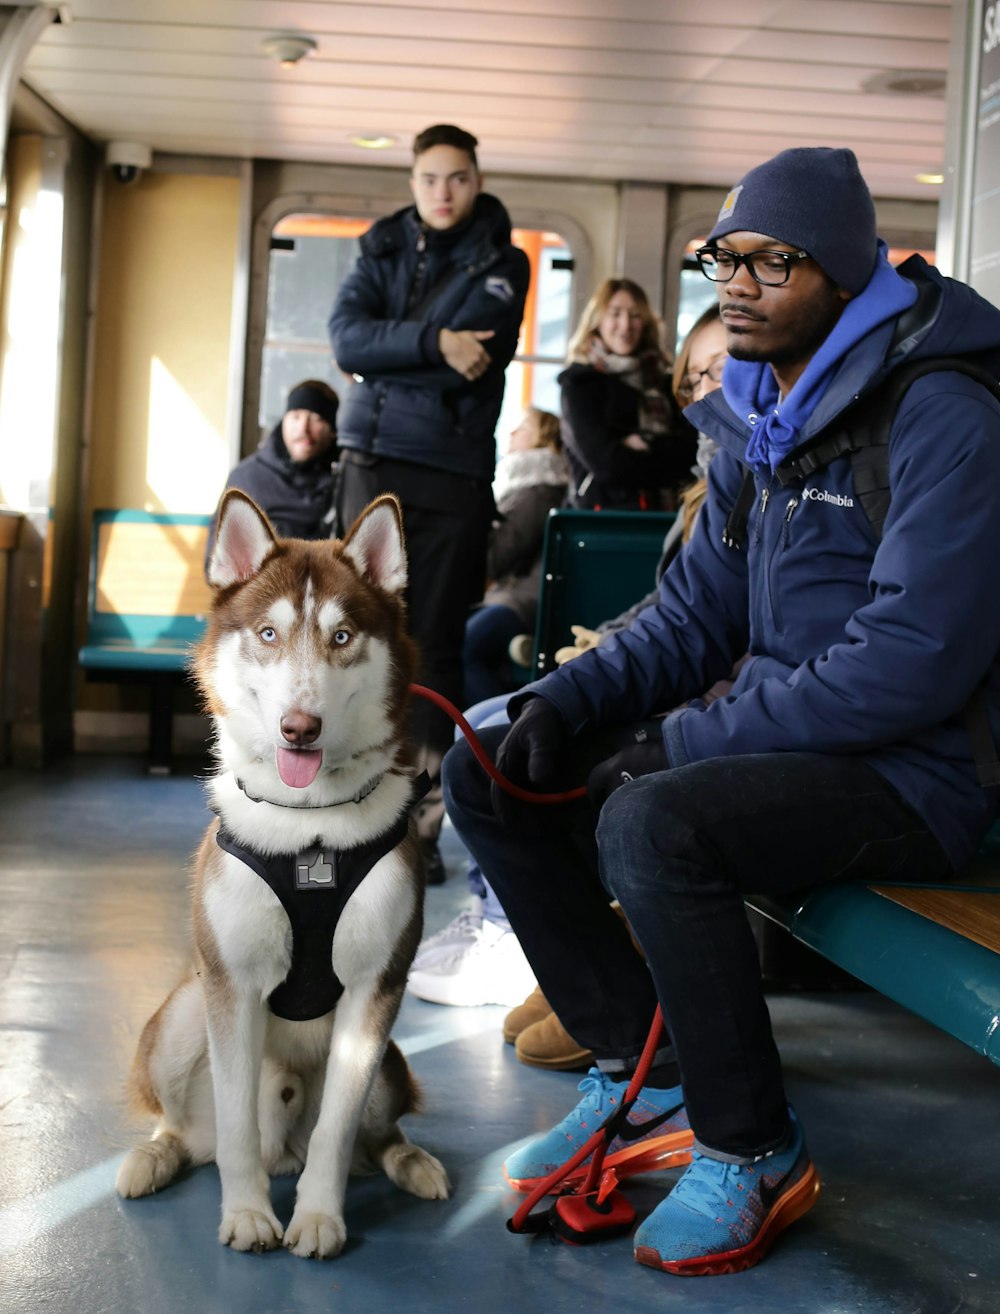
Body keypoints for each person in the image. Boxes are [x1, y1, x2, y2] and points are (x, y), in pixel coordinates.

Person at [442, 146, 1000, 1276]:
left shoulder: (944, 412)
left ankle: (751, 1146)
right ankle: (639, 1074)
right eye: (723, 258)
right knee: (487, 760)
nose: (734, 284)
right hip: (805, 743)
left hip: (929, 773)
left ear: (845, 277)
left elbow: (909, 665)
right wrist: (566, 696)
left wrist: (677, 742)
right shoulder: (762, 415)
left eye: (771, 261)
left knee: (653, 819)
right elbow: (692, 616)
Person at [409, 311, 727, 1038]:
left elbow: (719, 636)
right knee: (500, 726)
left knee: (510, 737)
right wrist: (593, 660)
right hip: (687, 681)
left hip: (716, 701)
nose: (708, 390)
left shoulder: (754, 495)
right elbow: (671, 611)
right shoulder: (704, 501)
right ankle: (537, 937)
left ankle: (544, 945)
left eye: (723, 370)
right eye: (695, 378)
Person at [328, 123, 530, 883]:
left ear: (477, 182)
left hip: (451, 471)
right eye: (429, 178)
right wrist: (435, 343)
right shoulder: (379, 248)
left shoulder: (503, 262)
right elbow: (347, 341)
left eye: (458, 179)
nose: (442, 193)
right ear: (412, 182)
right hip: (373, 462)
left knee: (434, 647)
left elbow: (474, 361)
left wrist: (410, 354)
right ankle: (353, 814)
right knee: (356, 638)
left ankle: (420, 825)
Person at [462, 406, 568, 706]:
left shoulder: (539, 491)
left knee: (466, 646)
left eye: (522, 426)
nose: (511, 432)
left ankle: (497, 735)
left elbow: (496, 557)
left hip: (521, 601)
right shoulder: (526, 488)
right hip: (511, 597)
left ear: (544, 439)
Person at [560, 277, 694, 511]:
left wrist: (647, 443)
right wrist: (665, 454)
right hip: (602, 517)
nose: (626, 325)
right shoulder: (579, 385)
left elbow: (690, 452)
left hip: (669, 513)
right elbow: (606, 464)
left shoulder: (665, 382)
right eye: (615, 314)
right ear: (598, 320)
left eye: (635, 315)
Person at [205, 379, 339, 567]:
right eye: (295, 416)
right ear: (284, 420)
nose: (303, 428)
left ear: (333, 430)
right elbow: (214, 563)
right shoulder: (246, 477)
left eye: (316, 418)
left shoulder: (344, 481)